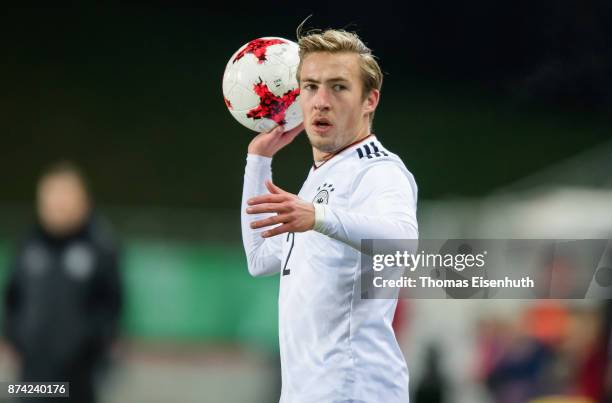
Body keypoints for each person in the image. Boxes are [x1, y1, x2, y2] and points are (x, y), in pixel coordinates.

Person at [241, 28, 418, 402]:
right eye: (310, 86)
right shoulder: (319, 179)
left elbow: (404, 242)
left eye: (338, 87)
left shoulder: (378, 170)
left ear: (369, 100)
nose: (321, 101)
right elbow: (259, 259)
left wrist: (318, 216)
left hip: (354, 389)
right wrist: (258, 160)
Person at [3, 162, 122, 403]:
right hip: (30, 377)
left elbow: (111, 306)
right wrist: (18, 338)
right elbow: (12, 299)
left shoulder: (100, 247)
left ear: (83, 200)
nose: (57, 204)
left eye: (64, 196)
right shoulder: (28, 245)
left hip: (78, 381)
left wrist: (89, 349)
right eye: (50, 197)